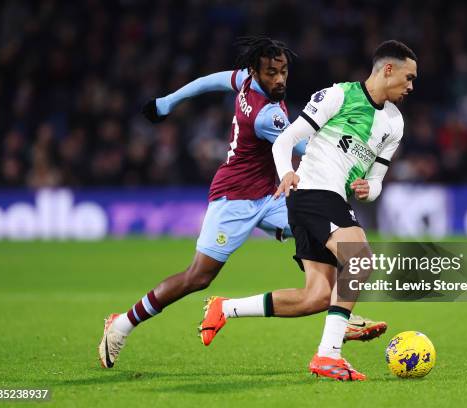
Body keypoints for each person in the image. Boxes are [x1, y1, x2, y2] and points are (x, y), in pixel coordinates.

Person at [98, 37, 385, 369]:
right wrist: (349, 168)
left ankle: (339, 317)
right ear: (255, 72)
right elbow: (303, 148)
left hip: (272, 194)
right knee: (198, 277)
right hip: (234, 198)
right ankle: (121, 324)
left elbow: (211, 81)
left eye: (283, 71)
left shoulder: (244, 80)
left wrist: (167, 102)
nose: (279, 80)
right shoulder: (268, 117)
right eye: (271, 73)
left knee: (328, 235)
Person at [200, 40, 417, 381]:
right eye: (408, 77)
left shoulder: (394, 123)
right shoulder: (338, 96)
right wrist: (286, 171)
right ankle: (328, 355)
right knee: (360, 259)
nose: (411, 86)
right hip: (312, 189)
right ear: (387, 69)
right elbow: (286, 139)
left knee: (316, 297)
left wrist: (369, 188)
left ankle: (225, 308)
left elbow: (376, 181)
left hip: (334, 199)